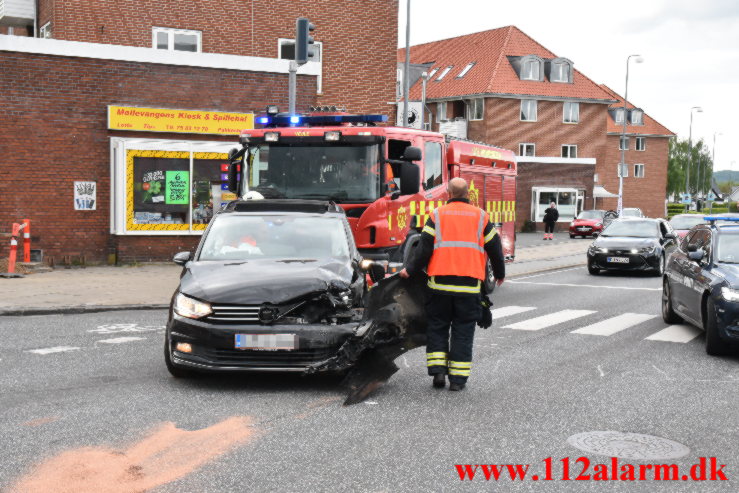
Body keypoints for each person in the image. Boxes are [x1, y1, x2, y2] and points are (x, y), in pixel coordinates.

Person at [399, 177, 505, 391]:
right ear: (467, 194)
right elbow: (495, 248)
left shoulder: (436, 215)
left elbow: (424, 249)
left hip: (439, 286)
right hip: (468, 287)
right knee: (463, 332)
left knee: (437, 328)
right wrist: (500, 273)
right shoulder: (481, 217)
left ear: (449, 193)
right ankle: (457, 381)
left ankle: (438, 372)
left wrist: (408, 270)